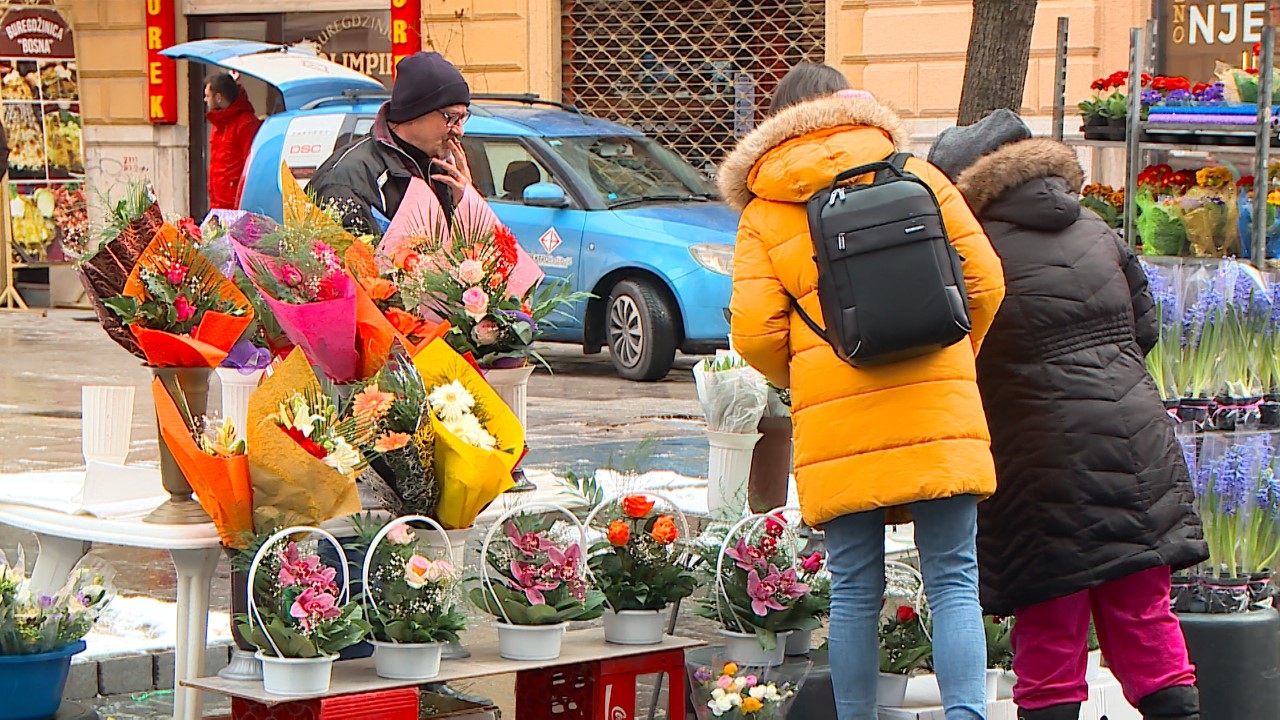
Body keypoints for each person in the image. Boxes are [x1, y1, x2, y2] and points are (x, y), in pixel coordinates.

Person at [720, 62, 1006, 720]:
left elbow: (756, 333)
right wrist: (956, 354)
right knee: (954, 578)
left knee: (853, 586)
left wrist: (813, 376)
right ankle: (967, 714)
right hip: (939, 401)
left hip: (838, 424)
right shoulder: (920, 175)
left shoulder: (767, 211)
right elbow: (985, 279)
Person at [930, 114, 1208, 720]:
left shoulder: (971, 252)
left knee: (1050, 622)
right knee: (1142, 611)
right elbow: (1146, 327)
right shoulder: (1097, 229)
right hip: (1136, 441)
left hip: (1037, 458)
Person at [308, 51, 475, 237]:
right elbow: (344, 261)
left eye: (463, 118)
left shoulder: (442, 171)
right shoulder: (345, 181)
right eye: (451, 117)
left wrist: (467, 204)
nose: (460, 131)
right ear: (415, 113)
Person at [204, 72, 261, 210]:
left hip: (237, 207)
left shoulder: (246, 124)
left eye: (207, 95)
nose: (205, 100)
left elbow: (252, 168)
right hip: (218, 205)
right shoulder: (219, 125)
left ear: (218, 97)